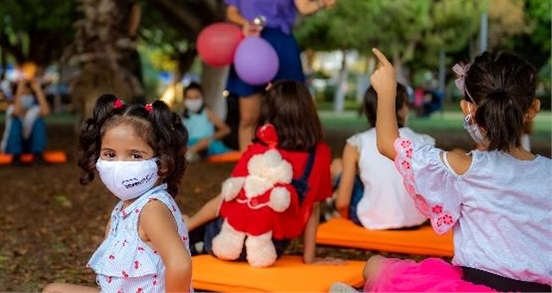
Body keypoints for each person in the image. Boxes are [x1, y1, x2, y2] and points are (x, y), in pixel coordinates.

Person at [362, 48, 551, 292]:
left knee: (376, 267)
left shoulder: (464, 167)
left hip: (470, 287)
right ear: (533, 108)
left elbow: (388, 144)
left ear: (467, 109)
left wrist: (387, 92)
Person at [42, 95, 192, 293]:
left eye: (135, 155)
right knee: (54, 291)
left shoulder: (152, 209)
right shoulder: (123, 210)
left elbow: (180, 264)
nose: (120, 165)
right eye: (110, 154)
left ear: (162, 162)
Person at [185, 80, 333, 265]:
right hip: (270, 249)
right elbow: (314, 208)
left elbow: (224, 199)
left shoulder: (260, 149)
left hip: (227, 237)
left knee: (198, 229)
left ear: (270, 114)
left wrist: (187, 225)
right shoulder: (320, 153)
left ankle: (194, 243)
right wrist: (309, 259)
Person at [224, 0, 341, 151]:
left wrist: (321, 2)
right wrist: (245, 23)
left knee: (293, 110)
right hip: (251, 48)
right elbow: (231, 12)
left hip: (282, 44)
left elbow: (304, 6)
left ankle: (296, 160)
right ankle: (245, 170)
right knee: (248, 117)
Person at [331, 84, 434, 230]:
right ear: (403, 108)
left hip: (371, 220)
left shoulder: (356, 143)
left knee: (337, 165)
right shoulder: (424, 142)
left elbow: (343, 203)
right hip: (417, 218)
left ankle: (333, 207)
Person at [0, 77, 50, 163]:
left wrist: (38, 90)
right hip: (10, 146)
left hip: (27, 146)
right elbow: (17, 112)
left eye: (28, 94)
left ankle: (37, 153)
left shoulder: (34, 110)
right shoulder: (11, 109)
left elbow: (46, 111)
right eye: (23, 94)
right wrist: (20, 89)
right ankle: (15, 154)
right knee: (16, 121)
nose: (26, 96)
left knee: (39, 122)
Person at [182, 82, 233, 161]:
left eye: (196, 97)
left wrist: (210, 138)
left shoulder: (207, 112)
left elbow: (226, 129)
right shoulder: (183, 117)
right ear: (185, 99)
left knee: (207, 144)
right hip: (189, 144)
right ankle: (192, 154)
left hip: (207, 143)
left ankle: (192, 153)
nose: (193, 100)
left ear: (202, 98)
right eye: (189, 97)